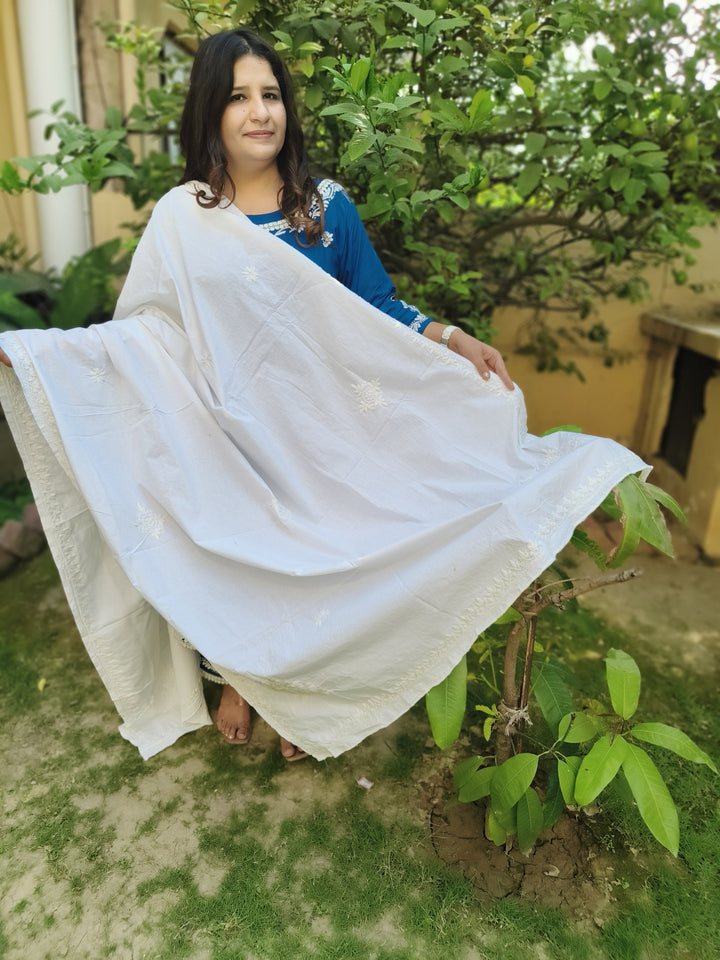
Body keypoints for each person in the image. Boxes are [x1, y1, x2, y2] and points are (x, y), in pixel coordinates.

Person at [0, 29, 648, 764]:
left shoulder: (324, 205)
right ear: (211, 112)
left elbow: (377, 305)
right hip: (231, 433)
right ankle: (244, 678)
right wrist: (32, 349)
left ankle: (307, 694)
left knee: (336, 556)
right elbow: (147, 333)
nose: (259, 113)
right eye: (239, 97)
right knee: (243, 556)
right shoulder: (184, 216)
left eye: (270, 95)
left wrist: (453, 337)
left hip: (326, 429)